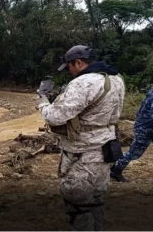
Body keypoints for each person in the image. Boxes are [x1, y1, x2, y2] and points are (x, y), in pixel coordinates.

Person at [35, 45, 125, 230]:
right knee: (96, 199)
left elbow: (54, 116)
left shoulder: (83, 82)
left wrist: (42, 103)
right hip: (106, 147)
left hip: (83, 151)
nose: (69, 70)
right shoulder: (116, 78)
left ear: (79, 62)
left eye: (69, 66)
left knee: (76, 201)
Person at [111, 88, 153, 182]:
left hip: (147, 128)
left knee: (134, 152)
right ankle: (115, 170)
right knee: (134, 152)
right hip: (148, 129)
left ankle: (116, 170)